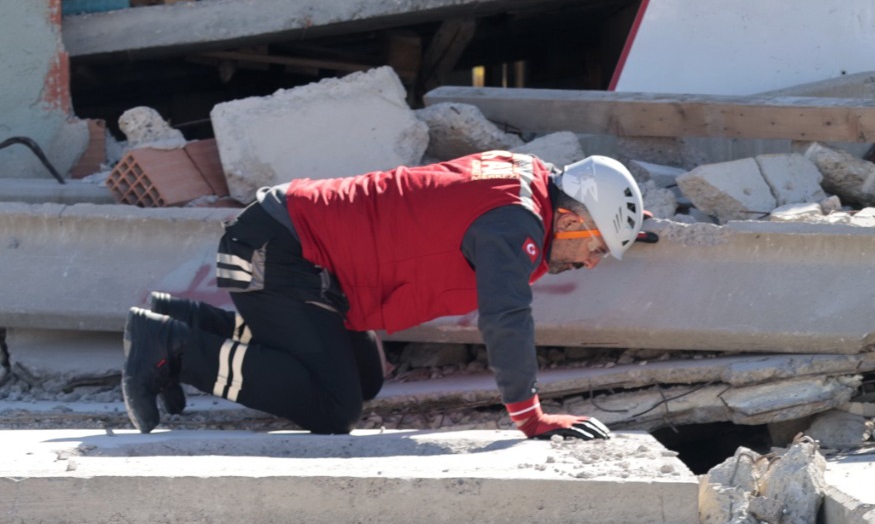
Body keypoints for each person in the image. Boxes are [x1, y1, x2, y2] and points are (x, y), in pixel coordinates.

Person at [120, 151, 649, 438]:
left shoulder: (528, 179)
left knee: (366, 379)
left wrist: (628, 222)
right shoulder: (516, 226)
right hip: (278, 255)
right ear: (575, 218)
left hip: (303, 256)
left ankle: (181, 319)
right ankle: (174, 349)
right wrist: (529, 416)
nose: (587, 262)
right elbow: (506, 316)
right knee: (334, 408)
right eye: (596, 248)